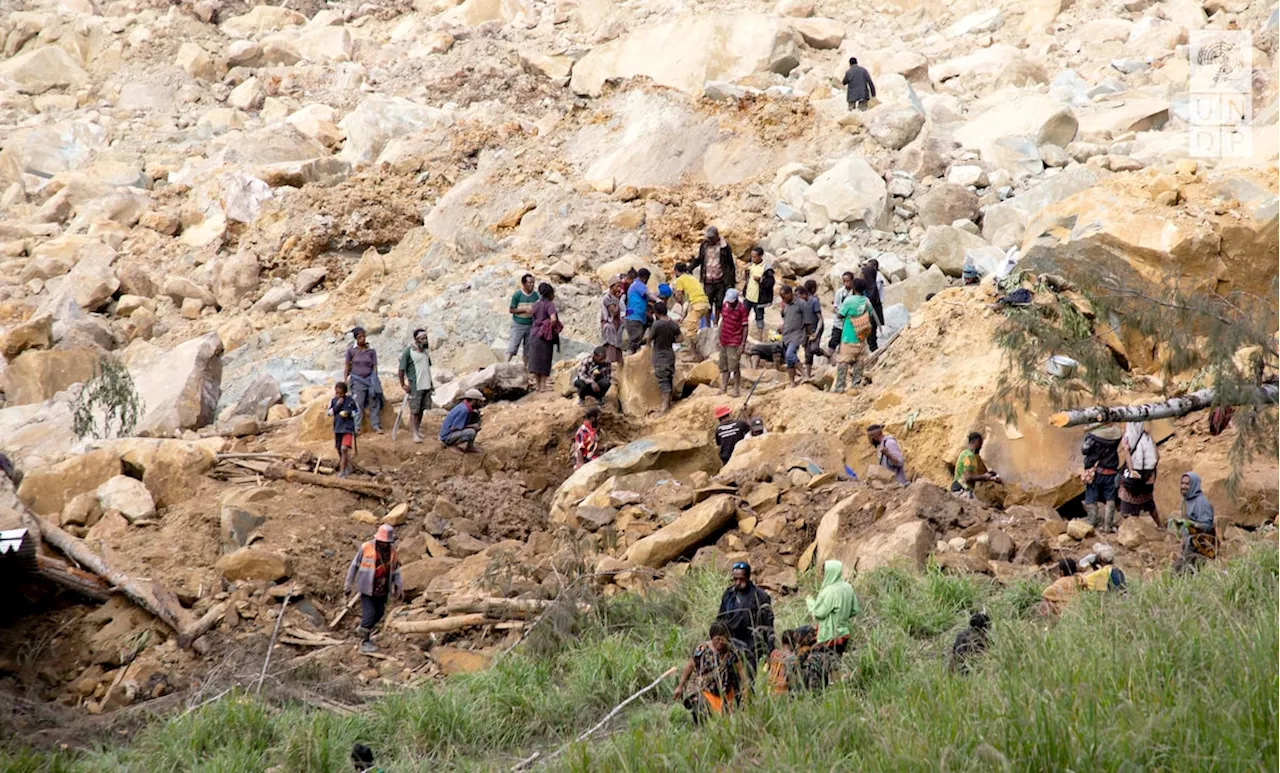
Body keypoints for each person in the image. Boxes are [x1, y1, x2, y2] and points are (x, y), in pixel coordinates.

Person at [673, 621, 749, 723]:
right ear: (712, 637)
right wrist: (680, 686)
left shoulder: (731, 651)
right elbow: (690, 666)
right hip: (704, 689)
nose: (721, 642)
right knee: (700, 708)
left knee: (726, 720)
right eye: (718, 639)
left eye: (723, 639)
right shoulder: (702, 649)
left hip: (725, 693)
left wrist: (745, 686)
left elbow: (740, 669)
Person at [343, 524, 403, 654]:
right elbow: (354, 566)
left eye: (387, 542)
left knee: (379, 613)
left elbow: (396, 570)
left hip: (382, 590)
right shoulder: (366, 547)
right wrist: (347, 585)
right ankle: (364, 641)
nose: (384, 544)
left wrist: (398, 585)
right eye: (382, 542)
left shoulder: (392, 552)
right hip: (367, 588)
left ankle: (363, 630)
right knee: (369, 615)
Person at [716, 560, 775, 680]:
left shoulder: (760, 596)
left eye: (741, 579)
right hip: (731, 642)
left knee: (748, 678)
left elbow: (768, 625)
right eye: (735, 579)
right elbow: (720, 618)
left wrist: (770, 650)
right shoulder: (729, 594)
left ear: (748, 577)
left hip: (751, 645)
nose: (738, 582)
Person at [805, 559, 857, 686]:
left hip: (829, 635)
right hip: (844, 634)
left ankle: (831, 690)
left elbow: (819, 613)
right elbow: (854, 610)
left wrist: (810, 602)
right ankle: (839, 689)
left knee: (824, 666)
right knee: (835, 663)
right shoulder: (848, 587)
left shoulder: (829, 591)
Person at [833, 277, 872, 393]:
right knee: (859, 361)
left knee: (843, 362)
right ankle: (855, 385)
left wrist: (835, 311)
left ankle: (840, 387)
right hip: (861, 335)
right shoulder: (866, 301)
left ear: (854, 288)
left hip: (848, 336)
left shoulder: (849, 301)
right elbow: (869, 313)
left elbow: (840, 315)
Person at [1081, 424, 1123, 532]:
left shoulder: (1094, 438)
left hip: (1096, 472)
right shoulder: (1116, 437)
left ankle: (1091, 522)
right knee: (1110, 498)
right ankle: (1108, 526)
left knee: (1091, 496)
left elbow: (1084, 450)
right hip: (1111, 472)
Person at [1172, 472, 1216, 574]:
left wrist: (1193, 524)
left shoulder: (1201, 503)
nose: (1183, 486)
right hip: (1188, 544)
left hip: (1198, 546)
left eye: (1187, 484)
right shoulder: (1186, 501)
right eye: (1182, 483)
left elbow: (1208, 525)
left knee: (1182, 573)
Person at [690, 226, 736, 323]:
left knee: (719, 302)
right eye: (708, 238)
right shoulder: (704, 246)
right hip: (708, 279)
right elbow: (699, 259)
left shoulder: (724, 247)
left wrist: (730, 282)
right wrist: (690, 268)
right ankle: (707, 323)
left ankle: (715, 321)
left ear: (717, 236)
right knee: (707, 302)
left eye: (711, 238)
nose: (709, 239)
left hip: (720, 279)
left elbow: (730, 265)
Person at [1118, 421, 1160, 525]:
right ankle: (1160, 525)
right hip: (1147, 477)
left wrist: (1132, 471)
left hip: (1134, 479)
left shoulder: (1129, 437)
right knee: (1149, 503)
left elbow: (1127, 454)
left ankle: (1130, 527)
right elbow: (1156, 456)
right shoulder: (1147, 437)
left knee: (1128, 503)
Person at [397, 329, 433, 444]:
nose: (425, 340)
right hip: (415, 386)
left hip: (426, 385)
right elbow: (401, 369)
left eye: (426, 338)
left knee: (422, 409)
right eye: (422, 338)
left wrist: (431, 384)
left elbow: (427, 368)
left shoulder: (425, 353)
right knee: (415, 411)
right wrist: (403, 384)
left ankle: (417, 429)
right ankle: (414, 433)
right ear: (416, 340)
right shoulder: (409, 352)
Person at [645, 301, 682, 413]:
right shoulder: (673, 324)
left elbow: (649, 339)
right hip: (670, 354)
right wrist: (671, 339)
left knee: (663, 381)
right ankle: (669, 403)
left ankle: (664, 407)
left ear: (656, 313)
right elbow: (681, 338)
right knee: (669, 378)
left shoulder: (657, 324)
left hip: (660, 356)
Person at [344, 327, 383, 434]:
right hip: (357, 380)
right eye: (360, 337)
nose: (362, 339)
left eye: (363, 336)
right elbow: (347, 366)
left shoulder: (371, 350)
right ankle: (357, 427)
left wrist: (375, 379)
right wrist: (345, 381)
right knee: (358, 404)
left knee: (374, 402)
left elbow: (374, 365)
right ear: (356, 338)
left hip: (370, 379)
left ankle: (376, 425)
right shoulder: (351, 351)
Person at [527, 283, 561, 392]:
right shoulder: (549, 305)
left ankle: (537, 386)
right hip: (544, 337)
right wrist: (548, 326)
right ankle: (543, 386)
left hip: (534, 334)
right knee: (545, 360)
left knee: (536, 361)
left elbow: (530, 314)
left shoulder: (536, 304)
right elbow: (553, 318)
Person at [718, 288, 749, 396]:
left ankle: (736, 389)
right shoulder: (725, 305)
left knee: (734, 366)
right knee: (724, 365)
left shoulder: (741, 309)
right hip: (724, 339)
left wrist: (743, 344)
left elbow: (745, 326)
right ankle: (723, 387)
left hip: (735, 340)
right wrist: (719, 337)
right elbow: (723, 321)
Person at [778, 285, 810, 387]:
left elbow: (808, 321)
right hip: (786, 335)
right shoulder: (785, 305)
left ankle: (804, 374)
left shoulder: (801, 304)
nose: (783, 299)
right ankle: (792, 382)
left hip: (797, 334)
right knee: (789, 361)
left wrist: (808, 336)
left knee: (790, 354)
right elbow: (786, 318)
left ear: (790, 293)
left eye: (784, 297)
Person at [952, 431, 1001, 498]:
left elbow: (975, 476)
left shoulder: (967, 454)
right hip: (961, 491)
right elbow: (968, 477)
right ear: (976, 442)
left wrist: (991, 477)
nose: (981, 446)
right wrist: (984, 476)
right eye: (980, 443)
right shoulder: (969, 456)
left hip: (962, 489)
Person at [672, 262, 711, 345]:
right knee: (687, 323)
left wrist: (675, 293)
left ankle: (694, 352)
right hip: (705, 303)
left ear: (676, 271)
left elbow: (679, 298)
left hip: (697, 304)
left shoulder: (679, 280)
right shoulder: (692, 278)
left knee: (689, 330)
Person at [328, 382, 360, 478]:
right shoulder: (333, 401)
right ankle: (347, 466)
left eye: (341, 393)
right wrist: (337, 406)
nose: (339, 395)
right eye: (337, 393)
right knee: (339, 449)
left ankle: (342, 472)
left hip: (347, 428)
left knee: (344, 448)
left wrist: (348, 413)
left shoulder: (350, 400)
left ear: (345, 393)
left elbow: (356, 411)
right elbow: (329, 413)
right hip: (338, 428)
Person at [506, 273, 540, 365]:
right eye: (529, 283)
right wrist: (523, 309)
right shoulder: (517, 295)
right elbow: (511, 309)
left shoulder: (536, 296)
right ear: (524, 284)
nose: (532, 285)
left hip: (530, 324)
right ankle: (505, 364)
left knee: (528, 348)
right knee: (513, 345)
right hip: (518, 324)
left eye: (533, 282)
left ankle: (525, 368)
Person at [766, 627, 811, 695]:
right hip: (783, 692)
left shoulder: (774, 653)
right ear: (793, 641)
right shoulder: (791, 657)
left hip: (771, 691)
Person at [742, 246, 774, 333]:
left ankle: (760, 335)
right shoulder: (751, 265)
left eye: (754, 257)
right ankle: (742, 333)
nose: (752, 259)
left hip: (759, 298)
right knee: (743, 315)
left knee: (759, 317)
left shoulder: (766, 268)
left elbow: (770, 283)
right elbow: (747, 279)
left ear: (760, 256)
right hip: (749, 296)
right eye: (751, 256)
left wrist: (761, 280)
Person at [798, 281, 824, 379]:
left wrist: (816, 333)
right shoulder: (800, 303)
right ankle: (807, 375)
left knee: (814, 349)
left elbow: (820, 319)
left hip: (816, 328)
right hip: (806, 330)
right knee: (807, 353)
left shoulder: (814, 301)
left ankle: (827, 355)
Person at [827, 271, 855, 358]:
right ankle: (829, 358)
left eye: (848, 281)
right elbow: (835, 306)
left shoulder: (855, 292)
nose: (846, 283)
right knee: (833, 341)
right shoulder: (839, 292)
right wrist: (839, 312)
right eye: (844, 281)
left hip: (850, 323)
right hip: (839, 323)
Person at [600, 275, 625, 369]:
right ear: (611, 286)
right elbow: (614, 312)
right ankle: (610, 366)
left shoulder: (615, 297)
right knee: (610, 344)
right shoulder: (607, 298)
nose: (619, 288)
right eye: (617, 286)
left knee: (618, 344)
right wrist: (618, 301)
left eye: (620, 286)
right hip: (609, 325)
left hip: (617, 324)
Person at [624, 269, 652, 353]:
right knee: (634, 339)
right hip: (634, 317)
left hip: (633, 315)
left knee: (637, 338)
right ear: (644, 278)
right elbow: (649, 294)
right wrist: (658, 300)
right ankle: (630, 358)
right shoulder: (638, 285)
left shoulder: (634, 285)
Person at [860, 260, 884, 352]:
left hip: (872, 311)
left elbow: (872, 298)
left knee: (871, 335)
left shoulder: (874, 285)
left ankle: (874, 353)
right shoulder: (868, 285)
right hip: (868, 312)